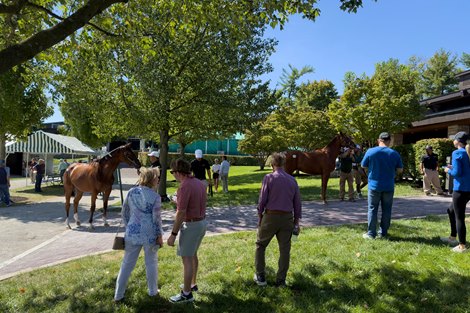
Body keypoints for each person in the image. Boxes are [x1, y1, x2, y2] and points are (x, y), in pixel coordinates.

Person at [114, 167, 163, 302]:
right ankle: (153, 292)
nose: (158, 179)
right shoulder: (155, 197)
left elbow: (124, 212)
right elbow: (156, 219)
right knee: (151, 263)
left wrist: (129, 226)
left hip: (132, 233)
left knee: (127, 264)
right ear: (152, 179)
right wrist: (159, 236)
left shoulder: (131, 192)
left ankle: (118, 295)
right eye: (157, 177)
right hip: (150, 235)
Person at [254, 152, 302, 287]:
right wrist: (296, 222)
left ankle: (260, 276)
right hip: (287, 218)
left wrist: (260, 216)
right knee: (285, 250)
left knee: (260, 245)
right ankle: (281, 280)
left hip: (270, 216)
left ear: (272, 164)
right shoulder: (292, 180)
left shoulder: (269, 178)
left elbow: (262, 200)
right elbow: (297, 203)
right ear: (283, 164)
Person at [167, 158, 207, 303]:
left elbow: (181, 213)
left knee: (187, 259)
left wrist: (173, 234)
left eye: (172, 172)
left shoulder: (184, 186)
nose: (173, 175)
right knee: (193, 254)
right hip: (202, 222)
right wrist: (178, 200)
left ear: (178, 172)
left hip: (191, 225)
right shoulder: (199, 183)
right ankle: (192, 284)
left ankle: (186, 294)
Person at [361, 132, 403, 239]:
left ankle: (371, 234)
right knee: (387, 209)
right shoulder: (394, 153)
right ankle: (383, 233)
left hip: (374, 185)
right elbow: (400, 170)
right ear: (389, 141)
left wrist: (369, 174)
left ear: (379, 140)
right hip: (388, 185)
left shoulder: (370, 151)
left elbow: (363, 165)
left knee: (372, 209)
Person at [442, 131, 470, 253]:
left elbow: (457, 173)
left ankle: (462, 246)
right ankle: (453, 237)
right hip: (468, 188)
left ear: (457, 141)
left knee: (459, 217)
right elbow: (463, 170)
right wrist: (453, 168)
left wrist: (448, 170)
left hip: (460, 189)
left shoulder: (457, 152)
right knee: (451, 210)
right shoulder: (466, 152)